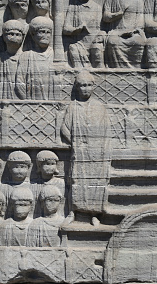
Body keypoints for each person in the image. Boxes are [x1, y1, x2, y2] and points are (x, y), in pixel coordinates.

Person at [61, 71, 112, 226]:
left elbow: (106, 130)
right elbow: (65, 127)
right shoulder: (73, 106)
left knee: (95, 183)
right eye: (82, 85)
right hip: (80, 152)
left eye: (89, 85)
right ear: (77, 87)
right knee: (75, 181)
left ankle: (94, 214)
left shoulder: (99, 107)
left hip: (96, 153)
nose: (86, 89)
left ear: (93, 87)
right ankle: (72, 212)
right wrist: (76, 142)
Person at [103, 0, 146, 68]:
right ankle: (117, 69)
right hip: (116, 32)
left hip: (133, 32)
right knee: (112, 42)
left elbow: (141, 19)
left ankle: (136, 70)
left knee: (138, 42)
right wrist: (116, 15)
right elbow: (105, 17)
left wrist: (135, 30)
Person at [62, 0, 105, 68]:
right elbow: (66, 29)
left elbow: (102, 28)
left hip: (94, 42)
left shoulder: (97, 8)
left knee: (98, 50)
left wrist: (101, 36)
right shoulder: (73, 8)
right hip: (78, 44)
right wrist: (77, 29)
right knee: (74, 49)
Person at [15, 16, 55, 100]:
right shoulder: (26, 56)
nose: (45, 35)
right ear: (33, 35)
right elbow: (19, 82)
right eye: (42, 32)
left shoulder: (55, 55)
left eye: (48, 32)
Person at [0, 20, 25, 99]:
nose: (14, 37)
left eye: (18, 34)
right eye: (11, 34)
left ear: (22, 37)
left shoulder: (26, 57)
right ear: (4, 36)